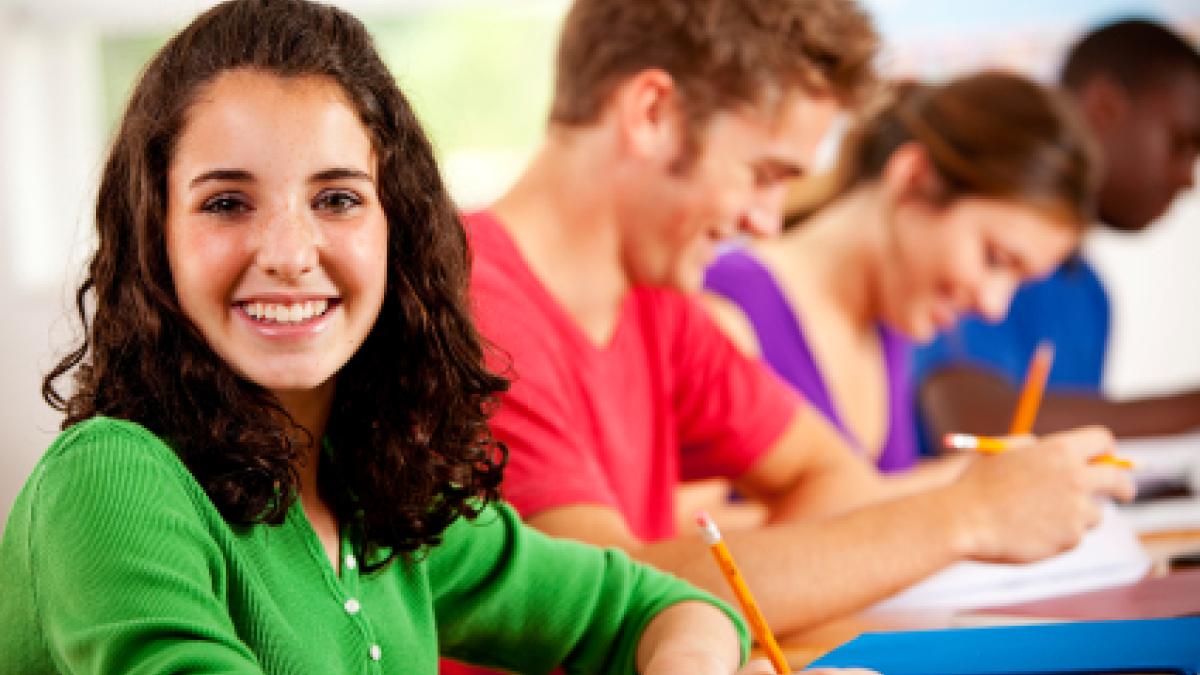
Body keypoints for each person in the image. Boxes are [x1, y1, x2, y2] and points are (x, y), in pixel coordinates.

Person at [0, 2, 815, 673]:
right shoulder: (112, 479)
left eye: (338, 199)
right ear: (155, 239)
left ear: (400, 230)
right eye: (225, 203)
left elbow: (667, 605)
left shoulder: (384, 494)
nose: (288, 253)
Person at [467, 0, 1135, 640]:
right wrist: (967, 515)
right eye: (763, 174)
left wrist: (753, 592)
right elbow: (604, 600)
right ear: (652, 112)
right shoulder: (473, 312)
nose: (765, 220)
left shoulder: (658, 305)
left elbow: (832, 474)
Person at [702, 71, 1097, 494]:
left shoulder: (891, 321)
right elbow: (685, 536)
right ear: (911, 177)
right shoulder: (723, 308)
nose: (994, 305)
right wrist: (967, 498)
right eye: (994, 259)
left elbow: (862, 503)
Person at [914, 19, 1200, 443]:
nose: (1187, 178)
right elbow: (974, 425)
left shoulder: (1089, 294)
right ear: (1104, 108)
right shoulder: (973, 259)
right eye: (1180, 143)